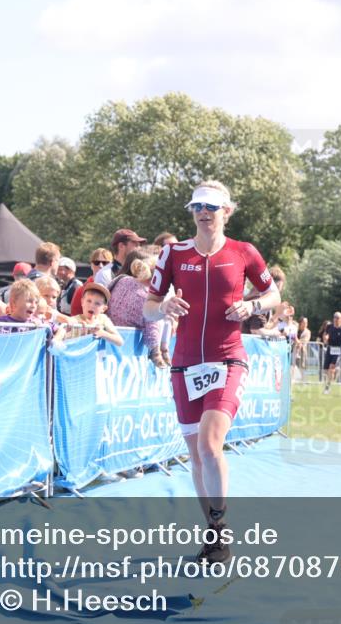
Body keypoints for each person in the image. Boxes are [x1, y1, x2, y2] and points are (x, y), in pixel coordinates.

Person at [143, 180, 281, 564]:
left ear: (227, 211)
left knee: (209, 444)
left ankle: (220, 531)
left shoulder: (243, 252)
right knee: (196, 455)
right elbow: (149, 306)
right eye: (197, 206)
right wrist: (165, 306)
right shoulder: (173, 254)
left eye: (211, 206)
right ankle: (214, 535)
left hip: (227, 358)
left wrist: (252, 308)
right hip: (185, 364)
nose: (203, 212)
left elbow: (274, 295)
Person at [107, 250, 164, 364]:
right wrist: (156, 352)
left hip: (107, 338)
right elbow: (152, 330)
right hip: (127, 350)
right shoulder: (149, 298)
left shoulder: (121, 279)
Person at [70, 248, 113, 315]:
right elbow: (75, 315)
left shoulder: (116, 287)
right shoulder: (81, 290)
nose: (101, 266)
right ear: (91, 265)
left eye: (105, 263)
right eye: (96, 262)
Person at [322, 312, 341, 393]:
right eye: (334, 317)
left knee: (331, 367)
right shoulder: (329, 326)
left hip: (338, 349)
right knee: (326, 370)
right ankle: (336, 370)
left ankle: (327, 387)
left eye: (338, 318)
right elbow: (326, 334)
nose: (336, 319)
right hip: (330, 348)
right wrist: (325, 338)